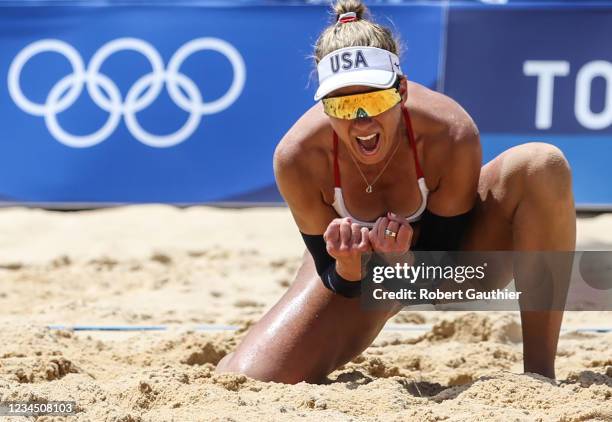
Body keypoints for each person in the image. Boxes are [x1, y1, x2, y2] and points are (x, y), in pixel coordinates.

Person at [216, 0, 576, 384]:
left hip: (448, 266)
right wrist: (349, 265)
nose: (361, 119)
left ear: (401, 90)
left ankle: (540, 376)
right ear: (324, 106)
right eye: (343, 104)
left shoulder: (448, 131)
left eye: (373, 99)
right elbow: (335, 277)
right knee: (253, 376)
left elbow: (446, 265)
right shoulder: (298, 157)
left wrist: (403, 258)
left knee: (541, 164)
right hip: (367, 276)